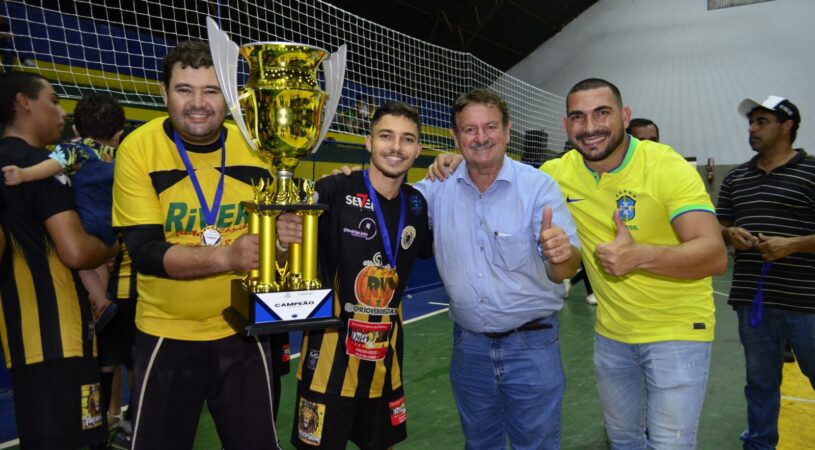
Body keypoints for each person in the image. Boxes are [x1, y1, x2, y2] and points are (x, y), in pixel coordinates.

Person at [429, 79, 727, 448]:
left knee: (669, 443)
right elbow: (497, 167)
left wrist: (640, 255)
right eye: (578, 117)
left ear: (625, 116)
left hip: (677, 331)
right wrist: (462, 160)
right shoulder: (557, 174)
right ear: (566, 125)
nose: (590, 127)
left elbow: (714, 254)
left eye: (602, 113)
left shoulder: (666, 166)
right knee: (622, 440)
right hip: (613, 334)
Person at [111, 40, 288, 449]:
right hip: (166, 332)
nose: (198, 103)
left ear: (230, 97)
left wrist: (284, 240)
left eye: (211, 90)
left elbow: (274, 248)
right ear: (164, 93)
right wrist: (228, 255)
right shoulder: (138, 148)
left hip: (244, 329)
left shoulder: (258, 148)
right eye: (184, 90)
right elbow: (146, 253)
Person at [418, 88, 581, 449]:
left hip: (532, 346)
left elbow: (565, 270)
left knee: (536, 445)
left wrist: (561, 254)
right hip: (469, 348)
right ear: (455, 137)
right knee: (479, 444)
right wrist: (348, 180)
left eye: (490, 127)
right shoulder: (437, 187)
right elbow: (386, 203)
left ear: (507, 131)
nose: (481, 137)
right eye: (470, 129)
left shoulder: (537, 187)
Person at [277, 101, 432, 449]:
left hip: (385, 362)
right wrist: (281, 238)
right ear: (368, 142)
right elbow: (285, 252)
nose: (396, 147)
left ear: (418, 149)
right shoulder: (335, 189)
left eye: (407, 139)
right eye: (386, 136)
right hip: (328, 362)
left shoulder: (417, 204)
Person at [0, 71, 115, 449]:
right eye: (53, 100)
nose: (62, 112)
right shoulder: (43, 166)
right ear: (24, 102)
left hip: (21, 337)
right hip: (61, 337)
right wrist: (113, 246)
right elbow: (76, 251)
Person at [717, 95, 815, 449]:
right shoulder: (736, 178)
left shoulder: (812, 172)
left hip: (806, 301)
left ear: (787, 126)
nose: (752, 129)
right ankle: (759, 444)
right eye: (751, 122)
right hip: (753, 302)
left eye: (762, 122)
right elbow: (718, 227)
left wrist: (793, 244)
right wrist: (730, 234)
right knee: (760, 382)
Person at [3, 92, 124, 331]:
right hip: (111, 222)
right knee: (101, 263)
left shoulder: (76, 148)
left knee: (82, 264)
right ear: (118, 134)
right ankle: (101, 299)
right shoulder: (115, 156)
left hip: (85, 219)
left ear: (76, 128)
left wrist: (25, 174)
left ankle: (98, 300)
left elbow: (54, 164)